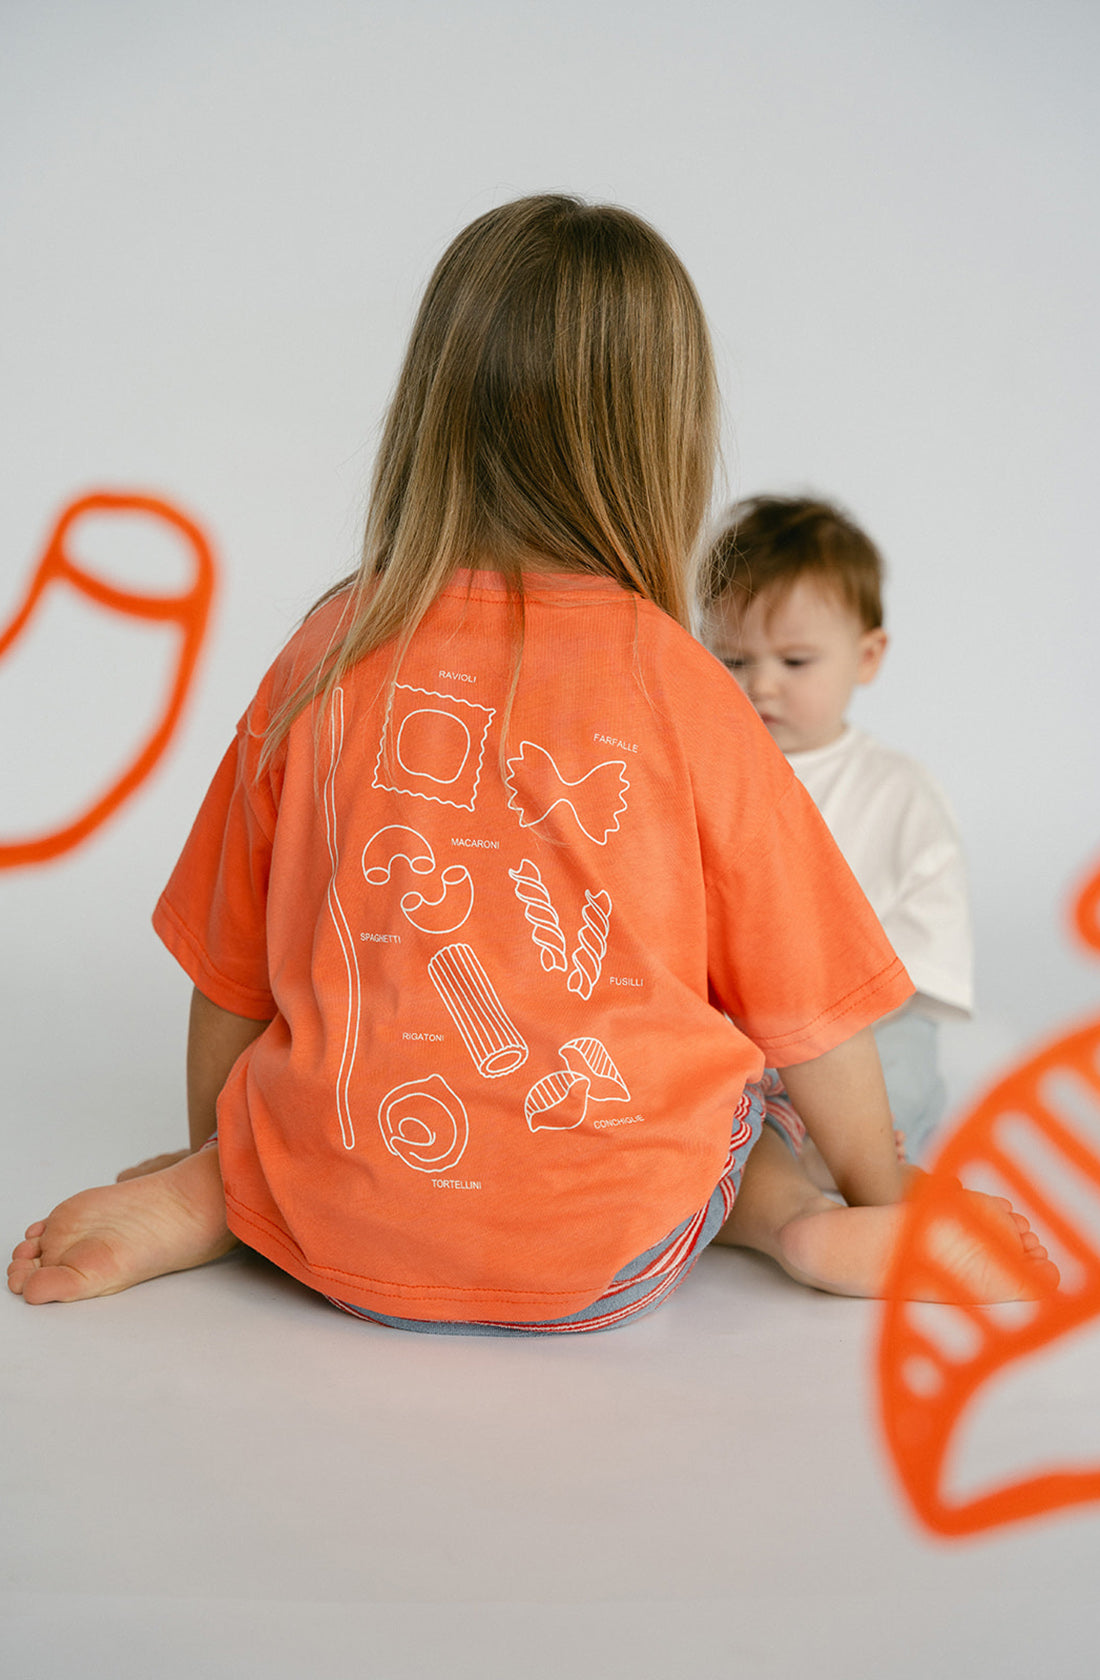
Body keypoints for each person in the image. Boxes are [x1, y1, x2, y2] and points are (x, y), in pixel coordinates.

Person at [8, 196, 1054, 1323]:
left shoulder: (327, 649)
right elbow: (815, 1013)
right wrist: (881, 1186)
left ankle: (226, 1197)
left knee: (307, 1058)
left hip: (335, 1215)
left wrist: (215, 1151)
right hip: (607, 1247)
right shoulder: (679, 682)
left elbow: (230, 969)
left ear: (433, 408)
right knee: (755, 1079)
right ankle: (794, 1221)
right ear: (662, 434)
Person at [703, 496, 970, 1165]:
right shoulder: (701, 776)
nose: (760, 685)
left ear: (868, 655)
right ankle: (763, 1156)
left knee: (897, 1076)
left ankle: (854, 1153)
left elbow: (929, 938)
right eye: (733, 661)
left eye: (794, 662)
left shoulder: (896, 789)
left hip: (868, 1025)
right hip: (739, 1027)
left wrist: (824, 1027)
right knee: (695, 1088)